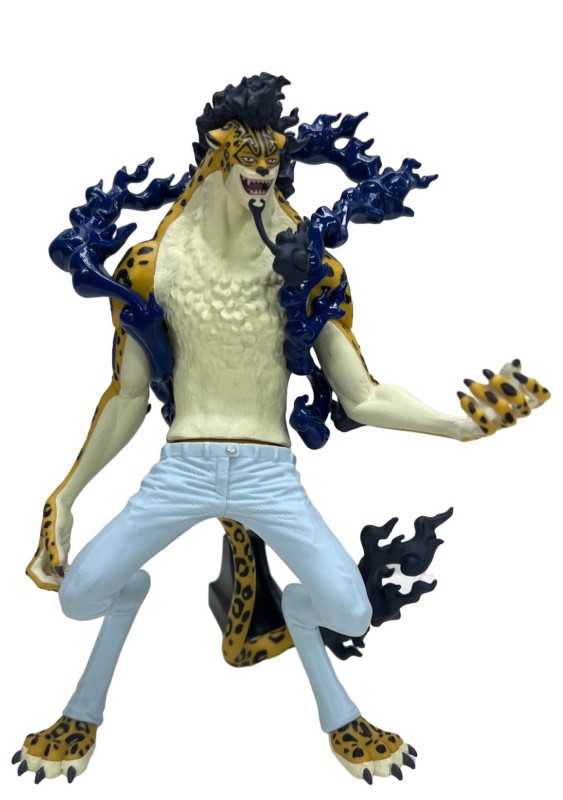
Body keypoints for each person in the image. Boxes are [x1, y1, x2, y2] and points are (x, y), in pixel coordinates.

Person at [14, 73, 549, 785]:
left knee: (349, 614)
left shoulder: (308, 271)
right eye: (249, 157)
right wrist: (66, 494)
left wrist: (457, 426)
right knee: (79, 598)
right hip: (183, 467)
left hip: (269, 471)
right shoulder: (149, 268)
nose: (263, 170)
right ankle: (93, 690)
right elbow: (127, 397)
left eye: (273, 159)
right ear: (219, 156)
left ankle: (314, 655)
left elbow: (362, 395)